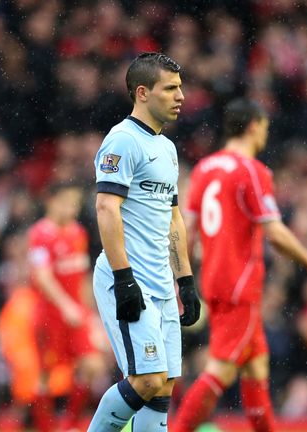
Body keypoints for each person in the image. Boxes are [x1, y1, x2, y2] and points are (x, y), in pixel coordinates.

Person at [174, 98, 307, 432]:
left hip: (214, 279)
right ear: (253, 126)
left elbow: (185, 231)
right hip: (240, 282)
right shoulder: (252, 170)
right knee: (221, 369)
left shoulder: (204, 168)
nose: (265, 135)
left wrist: (180, 277)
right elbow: (273, 232)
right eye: (264, 128)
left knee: (256, 366)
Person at [87, 52, 201, 432]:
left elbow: (172, 219)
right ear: (142, 93)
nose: (180, 96)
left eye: (180, 87)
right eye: (170, 88)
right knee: (146, 379)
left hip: (161, 283)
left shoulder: (166, 149)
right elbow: (106, 207)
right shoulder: (122, 140)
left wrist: (184, 280)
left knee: (163, 385)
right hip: (128, 277)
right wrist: (123, 278)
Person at [27, 181, 107, 431]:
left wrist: (90, 314)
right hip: (50, 316)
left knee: (92, 365)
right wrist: (65, 306)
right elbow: (42, 276)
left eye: (74, 204)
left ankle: (70, 425)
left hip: (76, 313)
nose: (71, 209)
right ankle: (45, 427)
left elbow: (81, 275)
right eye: (66, 203)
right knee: (45, 377)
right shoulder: (40, 234)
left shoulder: (78, 233)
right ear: (50, 202)